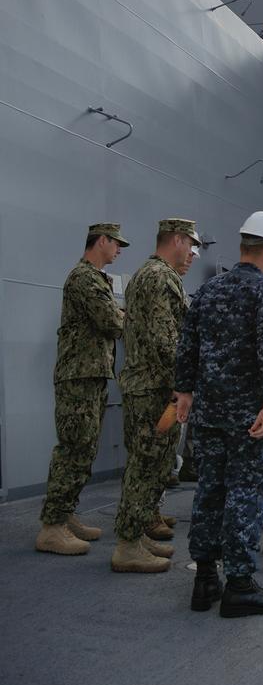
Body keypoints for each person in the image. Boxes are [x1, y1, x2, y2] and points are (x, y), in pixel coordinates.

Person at [175, 210, 263, 617]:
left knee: (210, 489)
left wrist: (184, 392)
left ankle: (206, 579)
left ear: (243, 245)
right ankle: (239, 584)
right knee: (247, 492)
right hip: (248, 415)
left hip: (208, 412)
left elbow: (187, 344)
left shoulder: (208, 290)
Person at [111, 218, 200, 574]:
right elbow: (166, 341)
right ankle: (127, 545)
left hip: (151, 386)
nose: (192, 254)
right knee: (146, 466)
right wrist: (185, 381)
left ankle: (136, 535)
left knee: (152, 465)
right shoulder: (160, 277)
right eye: (190, 245)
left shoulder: (150, 274)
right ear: (176, 239)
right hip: (154, 389)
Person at [35, 223, 127, 556]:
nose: (119, 250)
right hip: (79, 377)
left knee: (85, 449)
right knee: (74, 448)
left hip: (90, 375)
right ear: (101, 241)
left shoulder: (95, 278)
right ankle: (52, 527)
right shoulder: (84, 278)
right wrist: (129, 316)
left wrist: (119, 314)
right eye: (116, 243)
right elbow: (111, 322)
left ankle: (65, 514)